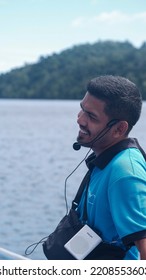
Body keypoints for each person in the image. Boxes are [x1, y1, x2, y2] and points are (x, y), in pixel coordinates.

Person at [74, 75, 146, 260]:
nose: (80, 120)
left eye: (91, 116)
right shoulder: (107, 158)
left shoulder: (125, 172)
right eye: (82, 110)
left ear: (119, 129)